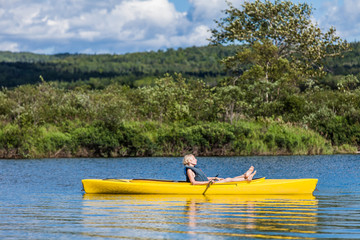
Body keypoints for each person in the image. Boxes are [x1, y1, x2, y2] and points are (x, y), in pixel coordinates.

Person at [183, 154, 257, 185]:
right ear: (189, 161)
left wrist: (215, 178)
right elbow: (193, 182)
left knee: (226, 179)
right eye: (193, 159)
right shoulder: (189, 170)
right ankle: (246, 179)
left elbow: (201, 178)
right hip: (205, 185)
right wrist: (207, 183)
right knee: (228, 180)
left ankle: (244, 175)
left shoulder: (194, 169)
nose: (196, 159)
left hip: (207, 183)